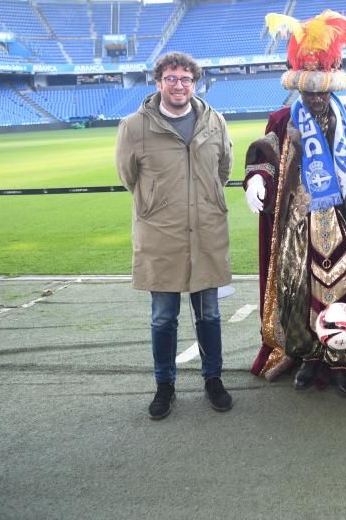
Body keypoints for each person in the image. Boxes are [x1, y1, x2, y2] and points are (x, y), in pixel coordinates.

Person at [245, 11, 346, 398]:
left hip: (344, 220)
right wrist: (258, 176)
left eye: (321, 92)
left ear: (332, 88)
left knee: (344, 288)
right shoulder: (280, 119)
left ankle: (343, 359)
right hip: (296, 222)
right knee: (298, 288)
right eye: (308, 92)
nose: (314, 98)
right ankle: (307, 355)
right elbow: (267, 154)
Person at [115, 51, 234, 420]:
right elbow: (128, 176)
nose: (179, 85)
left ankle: (213, 379)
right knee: (163, 316)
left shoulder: (215, 121)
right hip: (160, 234)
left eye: (186, 79)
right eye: (171, 78)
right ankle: (164, 385)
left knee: (209, 313)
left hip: (206, 231)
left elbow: (223, 169)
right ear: (158, 82)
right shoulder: (134, 126)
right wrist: (159, 205)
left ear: (194, 83)